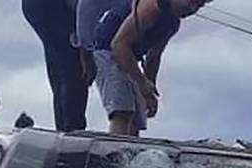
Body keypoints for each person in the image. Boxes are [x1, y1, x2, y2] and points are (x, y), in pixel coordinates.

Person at [76, 0, 209, 136]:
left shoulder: (173, 23)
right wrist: (142, 83)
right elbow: (119, 44)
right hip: (108, 49)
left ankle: (131, 153)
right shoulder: (151, 6)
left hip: (130, 57)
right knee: (122, 111)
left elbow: (153, 56)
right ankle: (114, 152)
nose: (192, 9)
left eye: (199, 6)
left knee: (137, 118)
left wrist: (149, 89)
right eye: (191, 2)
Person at [22, 0, 90, 131]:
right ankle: (72, 130)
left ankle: (65, 128)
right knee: (72, 67)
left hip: (37, 7)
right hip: (58, 7)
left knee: (59, 64)